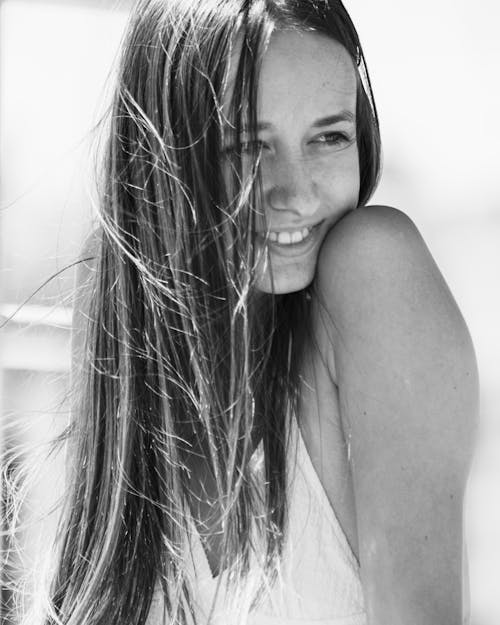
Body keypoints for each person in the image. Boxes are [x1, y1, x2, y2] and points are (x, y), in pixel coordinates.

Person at [38, 0, 479, 624]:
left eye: (329, 136)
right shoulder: (118, 323)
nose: (293, 193)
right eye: (247, 145)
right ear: (160, 155)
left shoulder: (374, 272)